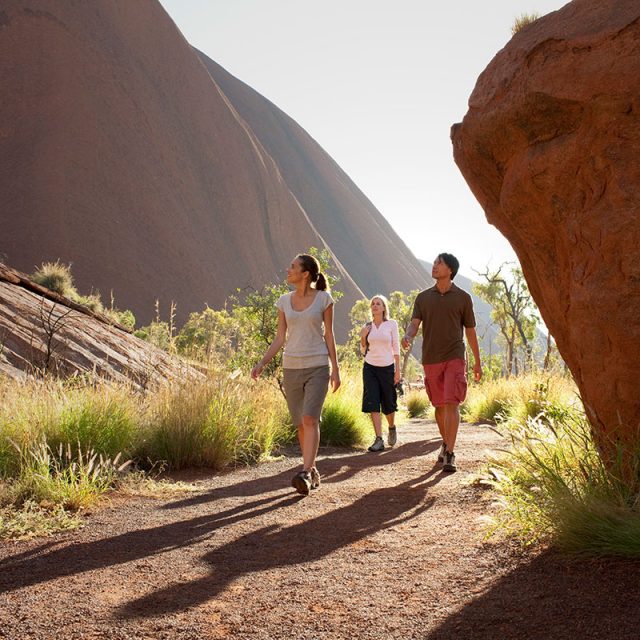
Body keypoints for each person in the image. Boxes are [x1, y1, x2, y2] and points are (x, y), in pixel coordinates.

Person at [251, 254, 341, 495]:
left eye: (293, 266)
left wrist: (336, 370)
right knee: (300, 423)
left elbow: (329, 336)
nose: (288, 269)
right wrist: (261, 363)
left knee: (311, 418)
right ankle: (311, 471)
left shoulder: (324, 299)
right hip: (291, 367)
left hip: (318, 366)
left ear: (306, 274)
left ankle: (305, 470)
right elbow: (280, 338)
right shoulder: (283, 301)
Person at [401, 253, 482, 472]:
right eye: (435, 262)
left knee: (451, 402)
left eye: (440, 263)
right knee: (438, 406)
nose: (435, 266)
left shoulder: (463, 298)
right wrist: (408, 336)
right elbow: (414, 323)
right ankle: (446, 442)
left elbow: (471, 331)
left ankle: (450, 453)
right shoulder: (423, 297)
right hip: (431, 358)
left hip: (455, 355)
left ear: (450, 270)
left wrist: (477, 361)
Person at [360, 294, 400, 452]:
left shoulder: (391, 324)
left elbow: (396, 348)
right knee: (373, 402)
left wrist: (398, 370)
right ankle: (378, 439)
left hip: (387, 367)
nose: (375, 306)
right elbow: (363, 350)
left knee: (388, 404)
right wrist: (363, 337)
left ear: (384, 308)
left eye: (378, 303)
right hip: (370, 367)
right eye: (373, 304)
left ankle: (391, 426)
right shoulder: (367, 326)